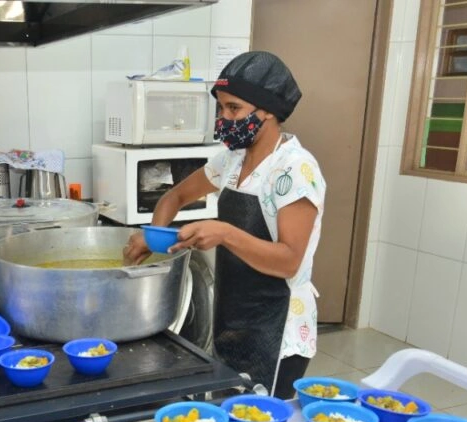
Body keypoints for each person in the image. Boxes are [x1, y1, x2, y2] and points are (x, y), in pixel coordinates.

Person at [124, 51, 325, 398]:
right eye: (220, 109)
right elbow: (173, 197)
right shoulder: (232, 160)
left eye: (234, 109)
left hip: (278, 329)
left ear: (269, 111)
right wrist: (154, 238)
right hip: (234, 317)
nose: (224, 118)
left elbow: (289, 259)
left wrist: (225, 233)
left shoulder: (294, 171)